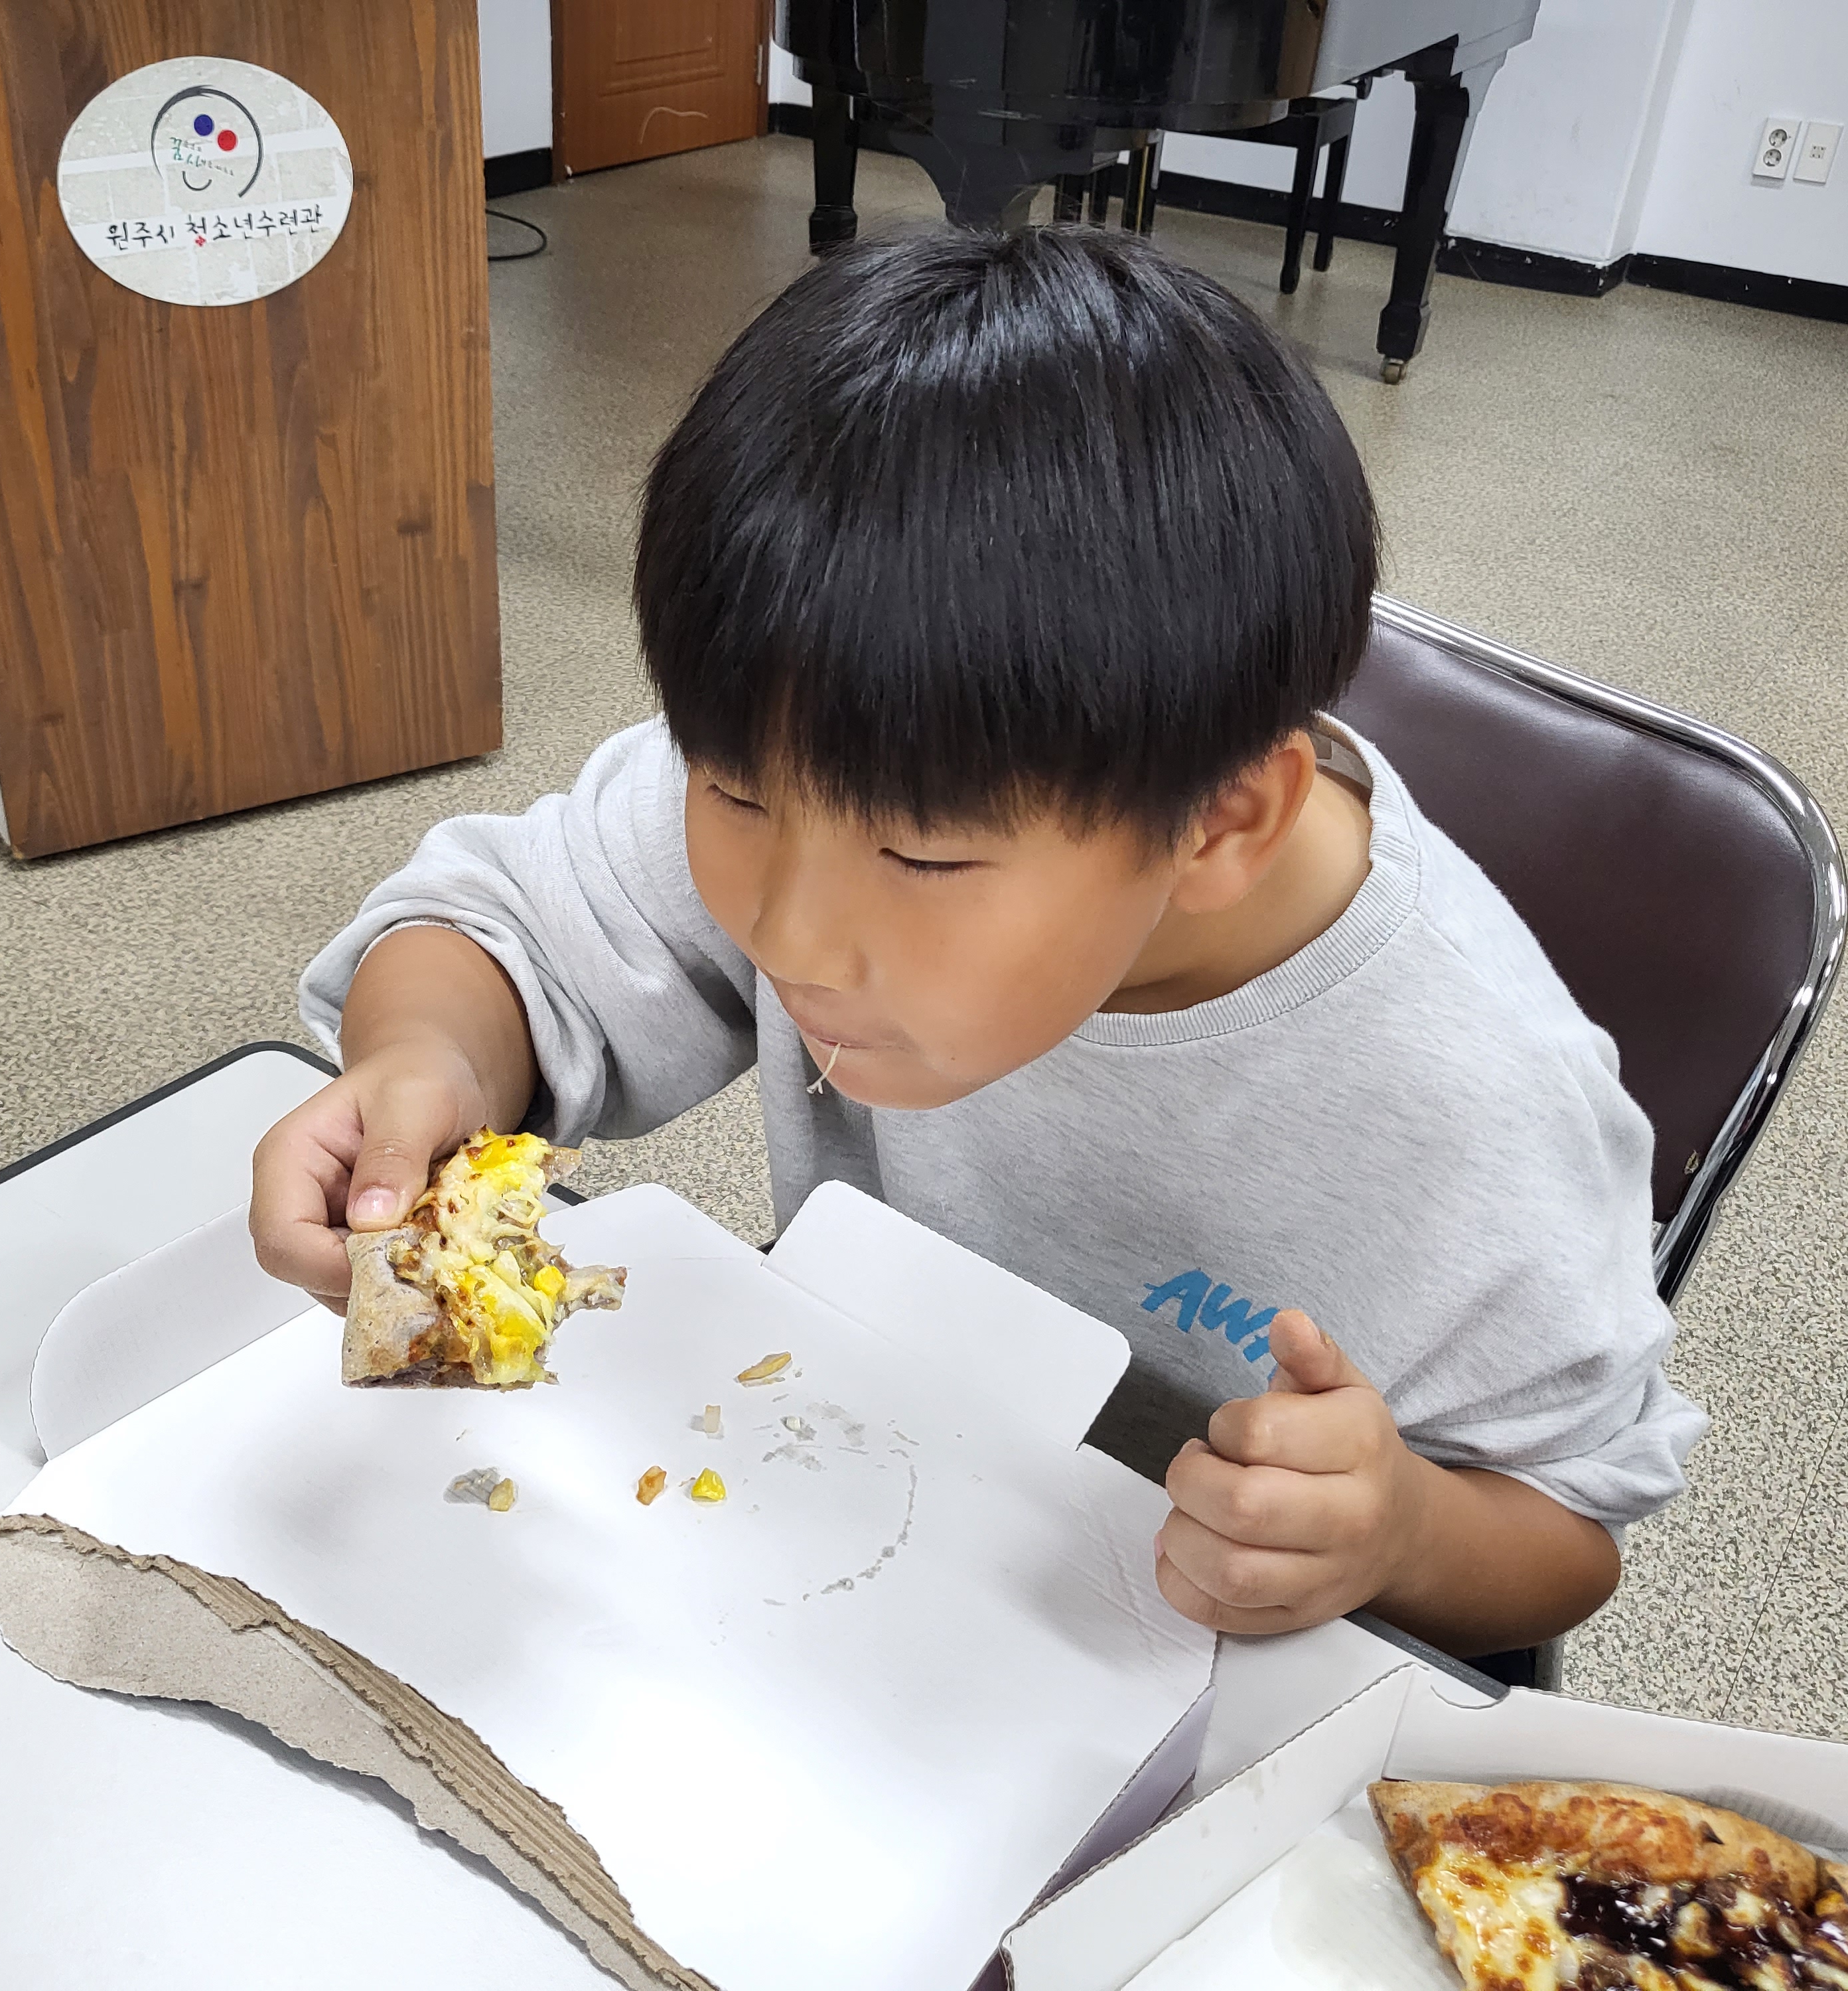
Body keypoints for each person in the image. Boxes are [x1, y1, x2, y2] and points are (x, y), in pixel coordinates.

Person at [251, 227, 1701, 1659]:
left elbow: (1566, 1526)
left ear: (1219, 824)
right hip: (842, 1526)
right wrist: (427, 1060)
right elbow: (495, 934)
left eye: (925, 859)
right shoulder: (834, 747)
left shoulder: (1479, 1102)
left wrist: (1400, 1535)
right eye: (733, 795)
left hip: (1160, 1660)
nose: (790, 933)